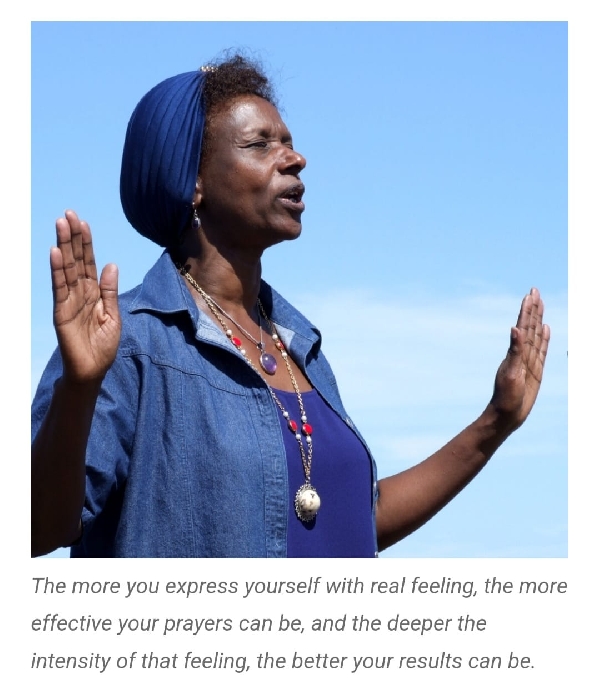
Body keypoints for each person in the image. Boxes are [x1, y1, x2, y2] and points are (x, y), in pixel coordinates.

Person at [31, 54, 550, 558]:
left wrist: (495, 421)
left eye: (290, 143)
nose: (294, 158)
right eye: (261, 144)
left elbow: (351, 522)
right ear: (193, 182)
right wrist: (79, 386)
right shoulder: (131, 343)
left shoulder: (303, 350)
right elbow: (37, 526)